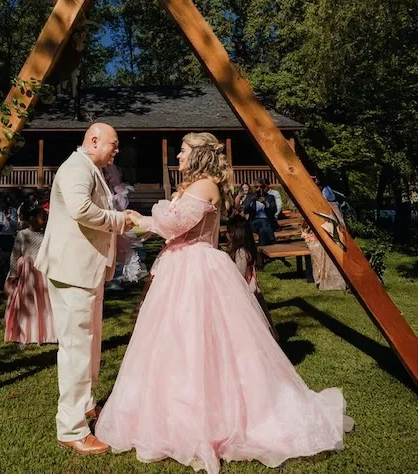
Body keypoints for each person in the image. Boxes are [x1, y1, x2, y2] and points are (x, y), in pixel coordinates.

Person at [96, 132, 352, 473]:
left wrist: (142, 219)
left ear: (200, 154)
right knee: (172, 342)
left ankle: (213, 416)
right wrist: (136, 222)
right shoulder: (191, 187)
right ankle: (170, 409)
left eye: (184, 152)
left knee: (203, 341)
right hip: (179, 267)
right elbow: (170, 226)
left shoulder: (204, 187)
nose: (179, 157)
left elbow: (173, 223)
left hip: (197, 269)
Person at [36, 123, 133, 456]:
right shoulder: (76, 168)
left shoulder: (89, 168)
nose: (116, 149)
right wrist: (120, 221)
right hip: (72, 271)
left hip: (84, 271)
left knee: (88, 345)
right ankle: (72, 428)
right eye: (113, 143)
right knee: (77, 349)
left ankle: (87, 405)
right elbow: (80, 210)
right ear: (93, 141)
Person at [4, 206, 55, 345]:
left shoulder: (46, 235)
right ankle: (27, 331)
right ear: (32, 218)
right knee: (28, 301)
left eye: (45, 216)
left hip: (43, 273)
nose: (44, 219)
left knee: (44, 301)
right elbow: (15, 255)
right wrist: (13, 274)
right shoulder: (22, 234)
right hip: (28, 274)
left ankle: (45, 332)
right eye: (41, 216)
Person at [226, 214, 279, 340]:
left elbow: (239, 274)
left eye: (229, 232)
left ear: (236, 234)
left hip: (245, 293)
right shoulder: (249, 250)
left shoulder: (241, 253)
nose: (227, 235)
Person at [243, 178, 279, 245]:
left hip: (267, 222)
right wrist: (252, 202)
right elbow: (246, 211)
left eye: (261, 186)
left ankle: (262, 244)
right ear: (254, 187)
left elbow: (274, 211)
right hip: (254, 222)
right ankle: (272, 238)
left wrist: (265, 203)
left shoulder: (270, 197)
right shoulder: (250, 197)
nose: (259, 188)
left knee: (262, 229)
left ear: (264, 187)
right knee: (263, 222)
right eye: (256, 187)